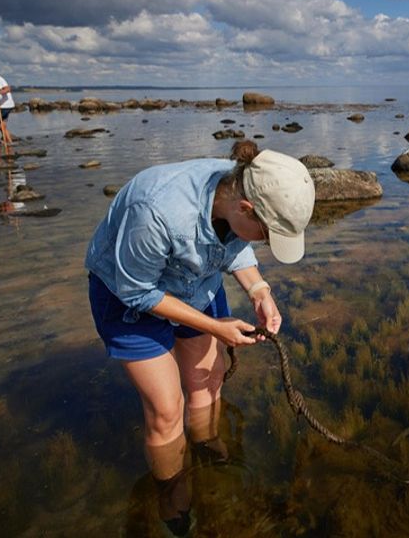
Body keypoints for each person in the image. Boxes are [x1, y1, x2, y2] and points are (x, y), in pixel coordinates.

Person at [85, 140, 315, 534]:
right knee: (166, 409)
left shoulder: (238, 186)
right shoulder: (157, 210)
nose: (265, 243)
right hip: (127, 292)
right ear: (246, 208)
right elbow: (137, 291)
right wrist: (215, 327)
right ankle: (172, 495)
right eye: (267, 234)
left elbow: (235, 244)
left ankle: (206, 445)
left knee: (207, 381)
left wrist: (260, 291)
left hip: (194, 280)